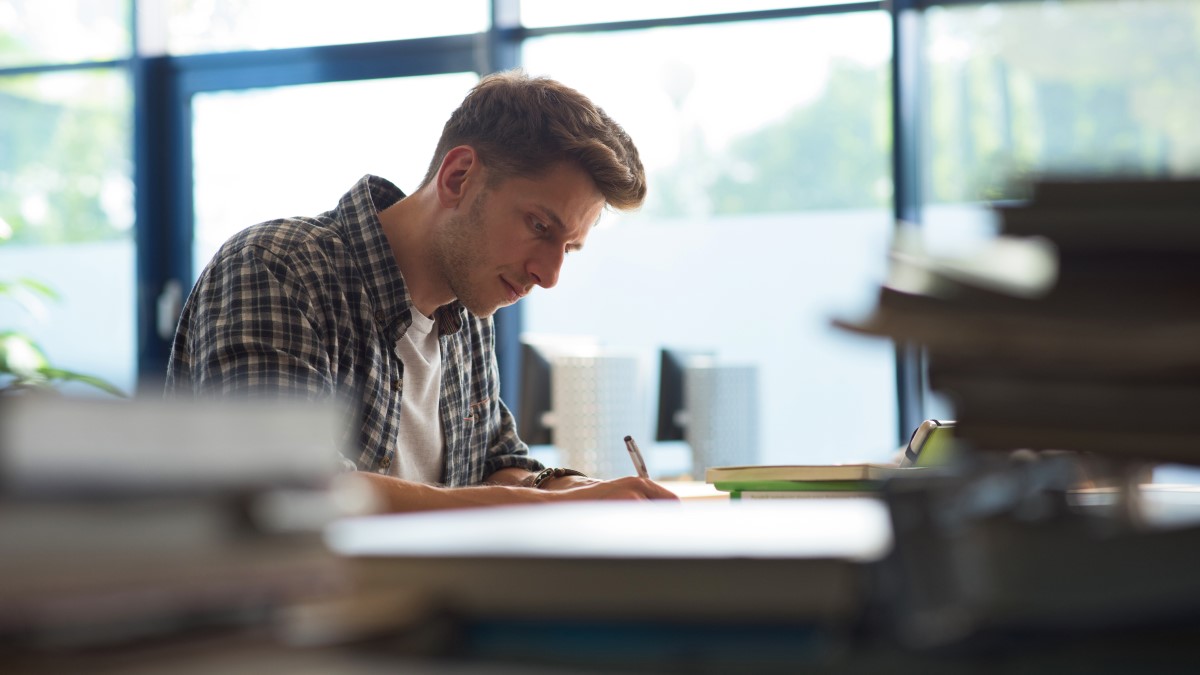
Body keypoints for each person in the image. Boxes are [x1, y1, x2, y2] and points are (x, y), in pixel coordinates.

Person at [166, 70, 677, 511]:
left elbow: (496, 464)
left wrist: (578, 490)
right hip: (288, 620)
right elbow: (292, 491)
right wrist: (544, 507)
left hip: (424, 611)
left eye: (568, 248)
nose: (548, 275)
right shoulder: (279, 269)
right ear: (458, 177)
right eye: (540, 226)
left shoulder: (469, 311)